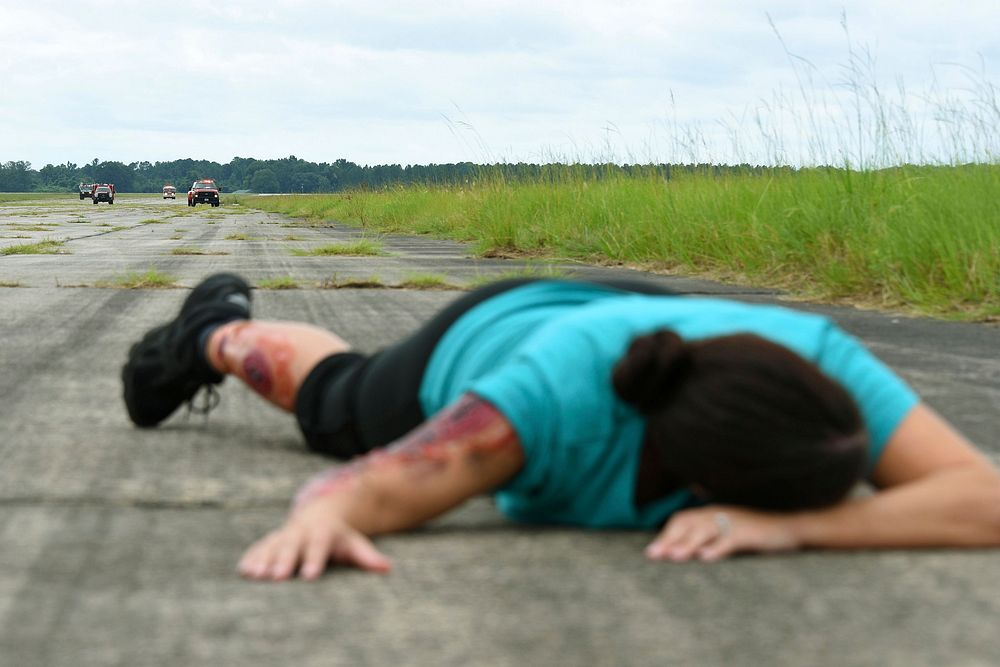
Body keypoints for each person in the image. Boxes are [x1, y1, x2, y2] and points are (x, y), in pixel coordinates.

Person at [122, 273, 1000, 581]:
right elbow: (363, 488)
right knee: (336, 403)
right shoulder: (533, 410)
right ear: (690, 478)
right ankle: (212, 329)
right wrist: (318, 519)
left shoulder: (813, 361)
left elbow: (984, 497)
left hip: (656, 327)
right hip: (496, 334)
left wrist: (795, 523)